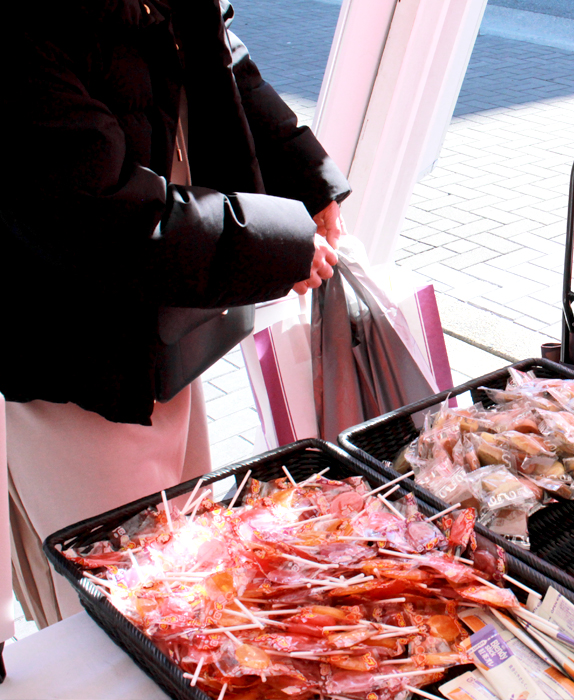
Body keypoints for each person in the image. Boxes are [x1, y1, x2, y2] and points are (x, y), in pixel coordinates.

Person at [0, 0, 351, 627]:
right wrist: (274, 243)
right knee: (121, 608)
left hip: (166, 327)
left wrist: (307, 170)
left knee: (187, 571)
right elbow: (99, 213)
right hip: (71, 359)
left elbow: (217, 51)